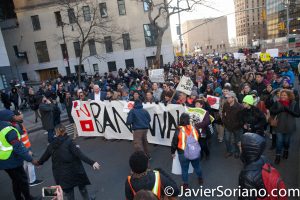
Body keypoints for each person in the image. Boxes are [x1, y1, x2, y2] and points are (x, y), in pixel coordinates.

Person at [37, 124, 101, 200]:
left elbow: (44, 157)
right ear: (65, 131)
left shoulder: (51, 145)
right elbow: (80, 155)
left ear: (55, 133)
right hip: (75, 170)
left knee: (69, 193)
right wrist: (92, 162)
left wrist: (38, 163)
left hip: (61, 174)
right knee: (82, 187)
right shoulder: (70, 142)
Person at [0, 110, 39, 200]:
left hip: (3, 160)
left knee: (16, 181)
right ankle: (28, 198)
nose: (14, 116)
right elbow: (18, 148)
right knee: (23, 180)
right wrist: (31, 160)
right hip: (12, 160)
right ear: (7, 118)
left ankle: (19, 198)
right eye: (12, 115)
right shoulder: (9, 130)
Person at [238, 133, 287, 200]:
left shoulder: (246, 176)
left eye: (241, 145)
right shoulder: (264, 159)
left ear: (248, 150)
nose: (239, 145)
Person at [171, 113, 203, 189]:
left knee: (184, 169)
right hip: (194, 151)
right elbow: (199, 137)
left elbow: (174, 143)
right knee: (197, 166)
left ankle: (186, 185)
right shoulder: (194, 128)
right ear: (189, 120)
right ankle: (200, 178)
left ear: (180, 120)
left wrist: (172, 152)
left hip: (183, 153)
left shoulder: (178, 130)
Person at [270, 89, 300, 164]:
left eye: (284, 95)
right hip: (279, 125)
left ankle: (286, 150)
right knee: (279, 142)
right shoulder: (277, 102)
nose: (282, 96)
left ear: (289, 96)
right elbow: (272, 111)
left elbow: (297, 114)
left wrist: (288, 110)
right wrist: (280, 109)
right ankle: (278, 156)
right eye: (281, 95)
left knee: (286, 141)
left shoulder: (294, 103)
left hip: (289, 126)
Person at [222, 91, 243, 158]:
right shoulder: (225, 104)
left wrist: (238, 124)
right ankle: (229, 151)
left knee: (237, 140)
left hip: (237, 127)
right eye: (227, 98)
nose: (227, 99)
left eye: (229, 98)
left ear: (233, 98)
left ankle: (237, 152)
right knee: (227, 139)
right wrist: (224, 121)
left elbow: (242, 118)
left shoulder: (240, 107)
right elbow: (223, 113)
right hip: (227, 126)